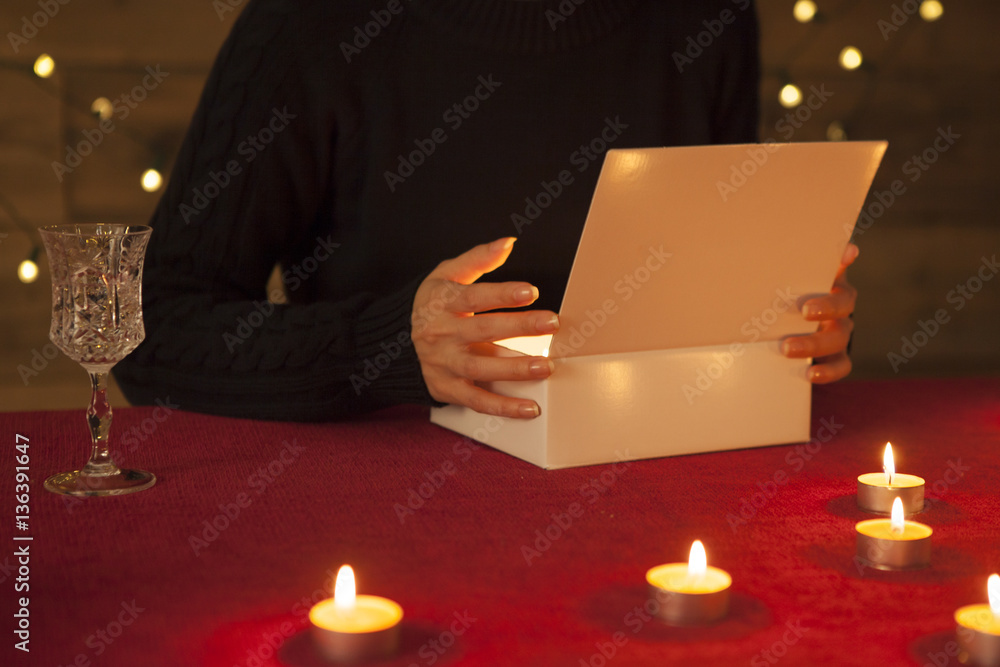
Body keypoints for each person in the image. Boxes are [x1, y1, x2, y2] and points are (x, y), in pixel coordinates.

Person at [114, 0, 857, 422]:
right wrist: (383, 350)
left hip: (649, 488)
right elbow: (146, 325)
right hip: (368, 519)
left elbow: (703, 283)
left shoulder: (708, 20)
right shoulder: (311, 26)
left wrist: (779, 317)